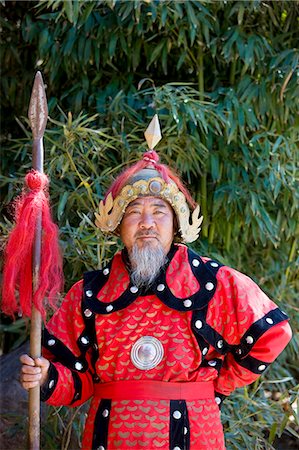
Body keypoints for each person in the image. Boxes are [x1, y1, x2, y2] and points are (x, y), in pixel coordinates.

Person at [20, 116, 292, 450]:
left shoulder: (213, 282)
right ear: (119, 223)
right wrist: (46, 376)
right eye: (134, 211)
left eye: (159, 211)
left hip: (196, 435)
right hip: (110, 438)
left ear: (176, 222)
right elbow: (77, 381)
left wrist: (219, 384)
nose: (147, 223)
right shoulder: (88, 294)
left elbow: (273, 333)